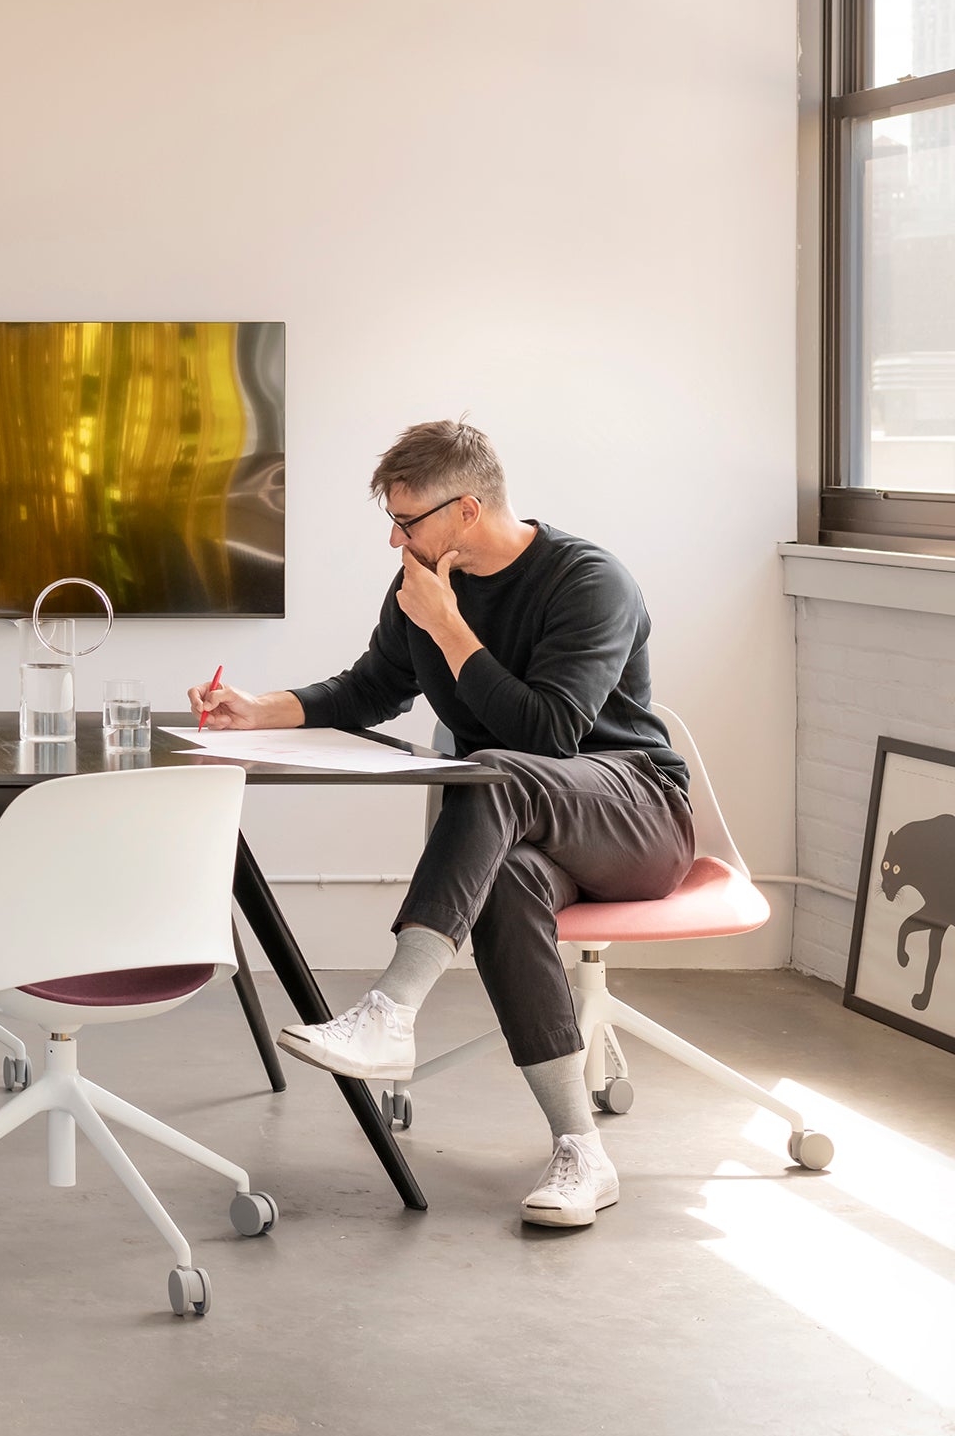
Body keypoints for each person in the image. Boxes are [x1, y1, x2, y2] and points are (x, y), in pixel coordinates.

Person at [190, 419, 691, 1230]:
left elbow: (548, 736)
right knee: (507, 881)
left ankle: (391, 1012)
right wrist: (261, 709)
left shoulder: (588, 581)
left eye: (408, 519)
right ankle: (580, 1151)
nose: (395, 537)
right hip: (535, 827)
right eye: (391, 518)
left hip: (636, 815)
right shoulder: (418, 582)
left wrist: (449, 623)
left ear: (466, 511)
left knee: (494, 771)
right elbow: (369, 689)